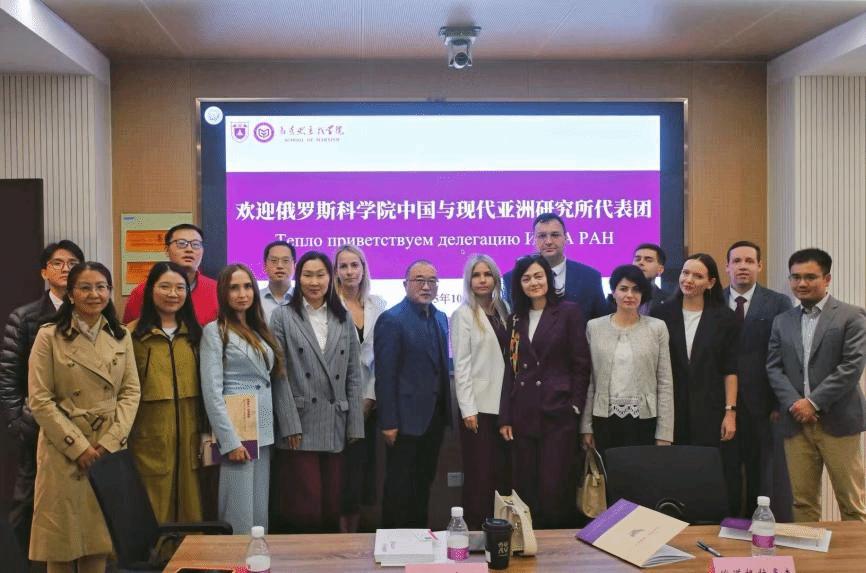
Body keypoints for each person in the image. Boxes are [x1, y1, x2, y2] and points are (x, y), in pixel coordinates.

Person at [27, 262, 141, 573]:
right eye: (85, 288)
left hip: (106, 448)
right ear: (71, 294)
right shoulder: (49, 336)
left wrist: (110, 442)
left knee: (98, 542)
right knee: (61, 546)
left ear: (110, 291)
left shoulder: (120, 335)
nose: (94, 294)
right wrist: (78, 447)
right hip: (62, 449)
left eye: (101, 287)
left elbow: (131, 393)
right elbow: (40, 400)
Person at [767, 248, 866, 522]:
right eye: (795, 277)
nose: (801, 283)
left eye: (810, 277)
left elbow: (851, 367)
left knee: (852, 503)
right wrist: (795, 404)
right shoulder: (782, 321)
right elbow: (773, 368)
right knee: (802, 504)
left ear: (827, 279)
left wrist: (813, 402)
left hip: (839, 421)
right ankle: (808, 551)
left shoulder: (851, 316)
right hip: (795, 423)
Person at [0, 239, 83, 555]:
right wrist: (19, 423)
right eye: (58, 263)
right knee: (28, 502)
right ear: (44, 272)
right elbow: (9, 378)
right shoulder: (25, 317)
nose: (65, 269)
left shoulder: (91, 312)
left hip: (81, 425)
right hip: (37, 425)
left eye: (73, 264)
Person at [200, 263, 297, 533]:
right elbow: (212, 392)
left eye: (247, 287)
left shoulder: (258, 329)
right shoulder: (214, 331)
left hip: (262, 430)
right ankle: (236, 559)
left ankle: (257, 557)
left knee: (258, 512)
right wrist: (230, 441)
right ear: (223, 293)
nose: (242, 294)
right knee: (238, 512)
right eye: (234, 288)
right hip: (237, 430)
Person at [270, 251, 363, 532]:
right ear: (298, 278)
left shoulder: (343, 317)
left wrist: (355, 423)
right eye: (307, 275)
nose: (314, 282)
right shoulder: (282, 316)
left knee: (332, 505)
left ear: (330, 277)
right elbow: (279, 374)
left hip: (335, 422)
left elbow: (353, 374)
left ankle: (329, 556)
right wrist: (288, 423)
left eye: (320, 275)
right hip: (300, 423)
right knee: (305, 506)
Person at [499, 254, 590, 528]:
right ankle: (530, 542)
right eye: (526, 278)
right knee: (526, 486)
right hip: (523, 412)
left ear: (548, 278)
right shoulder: (515, 318)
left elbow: (581, 364)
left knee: (555, 487)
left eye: (538, 276)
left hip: (558, 412)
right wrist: (505, 416)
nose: (533, 283)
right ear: (519, 284)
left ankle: (557, 547)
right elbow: (510, 369)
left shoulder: (568, 312)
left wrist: (575, 404)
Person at [651, 253, 740, 514]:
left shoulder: (724, 318)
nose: (688, 280)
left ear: (710, 283)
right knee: (672, 472)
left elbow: (730, 370)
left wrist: (730, 412)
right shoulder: (661, 313)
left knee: (707, 472)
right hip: (671, 408)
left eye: (697, 276)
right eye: (685, 273)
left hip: (710, 408)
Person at [375, 260, 451, 528]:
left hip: (434, 419)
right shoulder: (392, 319)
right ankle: (393, 541)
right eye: (419, 280)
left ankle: (420, 538)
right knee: (399, 488)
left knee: (423, 484)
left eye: (432, 281)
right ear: (405, 284)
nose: (426, 286)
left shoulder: (441, 317)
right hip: (404, 421)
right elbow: (385, 374)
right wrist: (389, 422)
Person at [128, 261, 204, 522]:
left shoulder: (197, 335)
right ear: (151, 290)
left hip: (191, 436)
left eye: (180, 288)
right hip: (148, 438)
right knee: (151, 505)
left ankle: (191, 547)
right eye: (165, 287)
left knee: (192, 504)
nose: (173, 294)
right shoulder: (131, 336)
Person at [723, 240, 793, 519]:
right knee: (724, 470)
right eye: (737, 261)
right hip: (720, 403)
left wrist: (778, 402)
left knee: (759, 473)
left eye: (749, 261)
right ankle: (725, 525)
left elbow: (786, 355)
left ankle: (755, 527)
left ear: (760, 266)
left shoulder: (778, 303)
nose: (743, 266)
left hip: (762, 405)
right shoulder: (713, 300)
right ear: (727, 266)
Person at [580, 264, 674, 454]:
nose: (630, 295)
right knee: (608, 471)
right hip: (603, 418)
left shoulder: (657, 328)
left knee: (641, 471)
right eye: (623, 289)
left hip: (645, 419)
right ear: (613, 292)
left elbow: (665, 382)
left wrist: (665, 432)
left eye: (636, 289)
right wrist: (586, 426)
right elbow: (589, 380)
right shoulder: (594, 327)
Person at [450, 254, 511, 529]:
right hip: (478, 411)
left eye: (487, 274)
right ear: (469, 281)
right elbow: (461, 365)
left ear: (496, 278)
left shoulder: (504, 309)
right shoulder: (462, 314)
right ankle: (475, 533)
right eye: (476, 275)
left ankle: (501, 533)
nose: (482, 280)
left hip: (506, 408)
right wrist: (468, 410)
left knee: (502, 475)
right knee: (479, 477)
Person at [333, 244, 386, 532]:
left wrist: (369, 397)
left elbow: (383, 356)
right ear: (336, 271)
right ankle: (340, 536)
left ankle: (354, 535)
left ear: (364, 269)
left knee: (362, 470)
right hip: (335, 401)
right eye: (343, 266)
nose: (350, 271)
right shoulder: (328, 304)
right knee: (340, 472)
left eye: (355, 265)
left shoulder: (378, 304)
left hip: (370, 400)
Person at [502, 213, 607, 326]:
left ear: (565, 238)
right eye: (542, 236)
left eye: (555, 235)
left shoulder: (590, 277)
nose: (549, 242)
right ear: (534, 239)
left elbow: (601, 323)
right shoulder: (512, 278)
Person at [124, 223, 218, 326]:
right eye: (181, 243)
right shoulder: (143, 292)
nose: (189, 249)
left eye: (196, 244)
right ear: (166, 250)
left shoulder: (217, 291)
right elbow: (129, 332)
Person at [260, 240, 295, 323]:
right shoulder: (254, 299)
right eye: (274, 261)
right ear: (265, 266)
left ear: (294, 266)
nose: (280, 266)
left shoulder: (303, 299)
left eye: (285, 261)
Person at [632, 243, 670, 315]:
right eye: (637, 259)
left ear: (660, 270)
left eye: (648, 260)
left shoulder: (668, 302)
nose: (641, 263)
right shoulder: (616, 298)